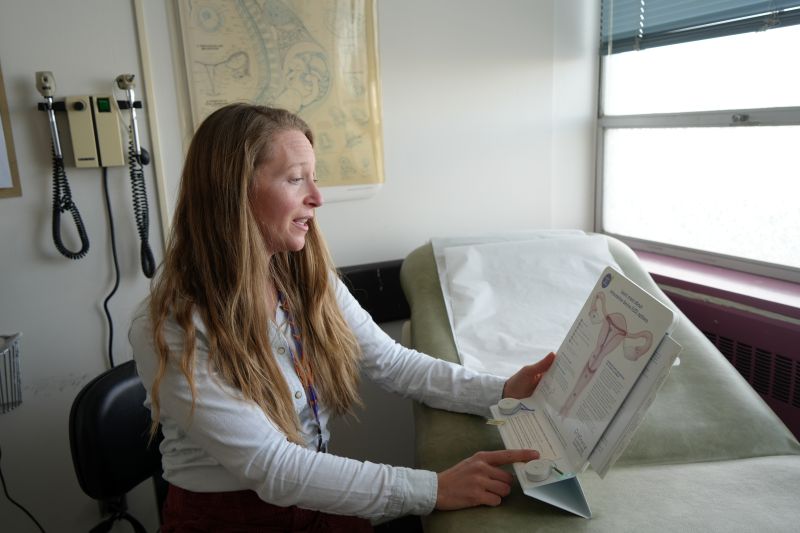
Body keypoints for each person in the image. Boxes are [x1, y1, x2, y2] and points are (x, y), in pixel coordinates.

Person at [128, 103, 556, 532]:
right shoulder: (170, 325)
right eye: (295, 179)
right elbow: (272, 467)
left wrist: (501, 390)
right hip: (227, 518)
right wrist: (434, 489)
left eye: (314, 178)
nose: (317, 197)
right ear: (233, 192)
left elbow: (395, 364)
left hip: (312, 498)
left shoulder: (305, 281)